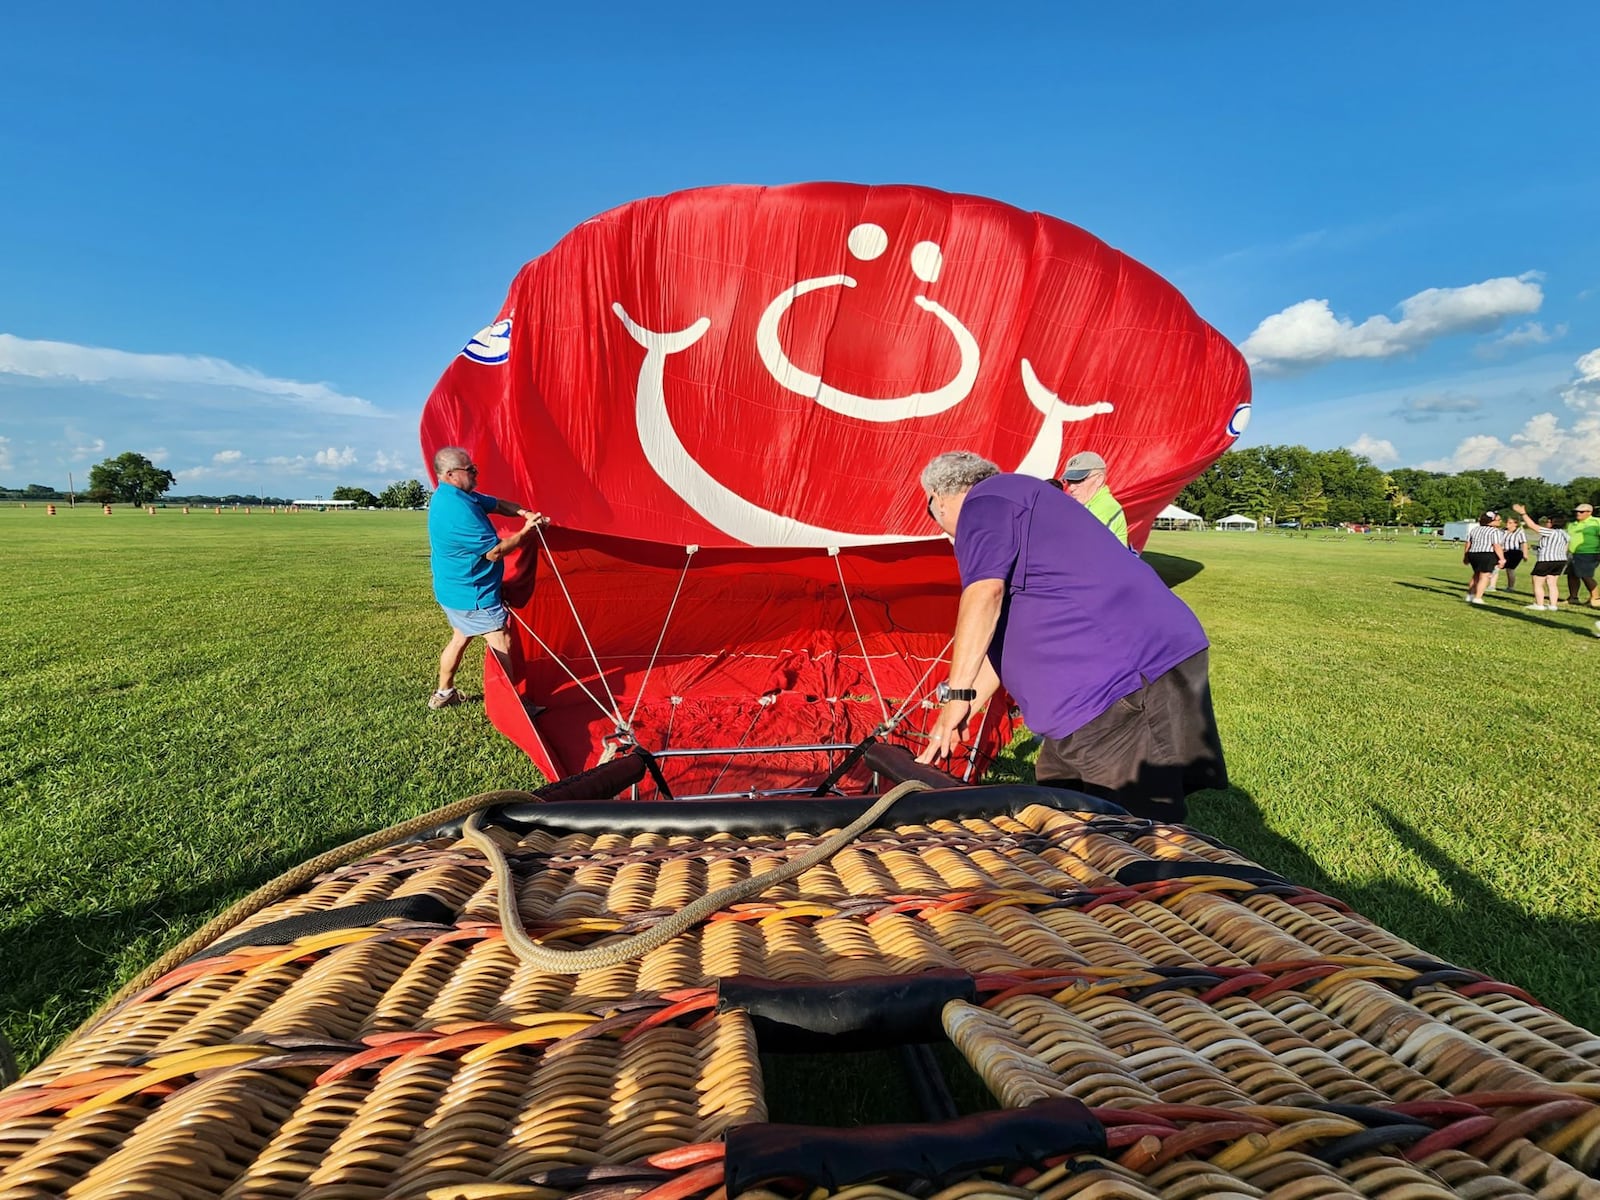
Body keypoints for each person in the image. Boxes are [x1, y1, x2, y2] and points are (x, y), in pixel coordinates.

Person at [914, 451, 1225, 821]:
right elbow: (1007, 637)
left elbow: (984, 595)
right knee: (1058, 805)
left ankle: (1165, 876)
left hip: (1119, 681)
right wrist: (967, 707)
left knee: (1127, 824)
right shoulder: (1021, 506)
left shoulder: (987, 500)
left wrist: (957, 695)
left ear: (937, 498)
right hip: (1083, 699)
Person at [427, 446, 548, 709]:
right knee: (502, 640)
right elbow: (494, 552)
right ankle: (514, 706)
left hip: (453, 589)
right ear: (450, 474)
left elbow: (498, 504)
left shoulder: (458, 495)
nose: (475, 473)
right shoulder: (455, 509)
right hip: (473, 593)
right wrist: (527, 532)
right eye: (469, 470)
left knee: (460, 637)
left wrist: (524, 513)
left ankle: (444, 693)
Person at [1061, 451, 1128, 546]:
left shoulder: (1106, 506)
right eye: (1069, 481)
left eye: (1078, 480)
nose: (1071, 488)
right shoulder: (1086, 504)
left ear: (1099, 479)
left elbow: (1077, 545)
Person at [1513, 504, 1567, 611]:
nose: (1546, 523)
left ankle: (1539, 604)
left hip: (1546, 559)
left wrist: (1523, 513)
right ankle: (1553, 605)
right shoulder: (1564, 534)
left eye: (1548, 521)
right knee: (1552, 583)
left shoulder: (1550, 532)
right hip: (1560, 560)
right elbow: (1565, 547)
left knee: (1537, 581)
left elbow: (1532, 526)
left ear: (1552, 523)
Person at [1462, 512, 1504, 605]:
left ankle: (1470, 595)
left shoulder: (1474, 530)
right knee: (1484, 576)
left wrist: (1466, 555)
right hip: (1487, 554)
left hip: (1473, 554)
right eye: (1498, 520)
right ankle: (1478, 597)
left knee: (1476, 575)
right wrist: (1502, 558)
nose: (1500, 521)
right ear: (1491, 521)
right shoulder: (1495, 531)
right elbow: (1496, 545)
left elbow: (1468, 543)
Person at [1566, 501, 1600, 608]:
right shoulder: (1572, 524)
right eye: (1576, 512)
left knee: (1586, 575)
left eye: (1581, 512)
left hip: (1590, 553)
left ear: (1589, 512)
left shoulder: (1597, 522)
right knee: (1572, 574)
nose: (1578, 514)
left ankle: (1596, 598)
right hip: (1572, 553)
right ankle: (1573, 598)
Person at [1496, 514, 1526, 593]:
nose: (1507, 524)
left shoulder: (1519, 532)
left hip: (1514, 552)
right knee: (1496, 566)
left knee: (1510, 569)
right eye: (1507, 522)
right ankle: (1492, 585)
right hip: (1504, 551)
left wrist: (1525, 554)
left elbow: (1523, 543)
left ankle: (1511, 587)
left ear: (1515, 524)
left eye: (1510, 523)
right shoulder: (1503, 531)